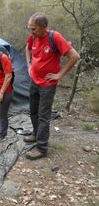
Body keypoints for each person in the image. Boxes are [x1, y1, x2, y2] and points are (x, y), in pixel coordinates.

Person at [25, 12, 80, 160]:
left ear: (44, 27)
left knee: (43, 115)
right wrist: (29, 65)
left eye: (34, 28)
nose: (31, 32)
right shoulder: (33, 37)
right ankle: (36, 135)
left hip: (48, 85)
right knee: (33, 111)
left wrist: (60, 74)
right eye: (30, 28)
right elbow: (28, 49)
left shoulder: (54, 37)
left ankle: (42, 148)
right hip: (34, 81)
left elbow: (74, 56)